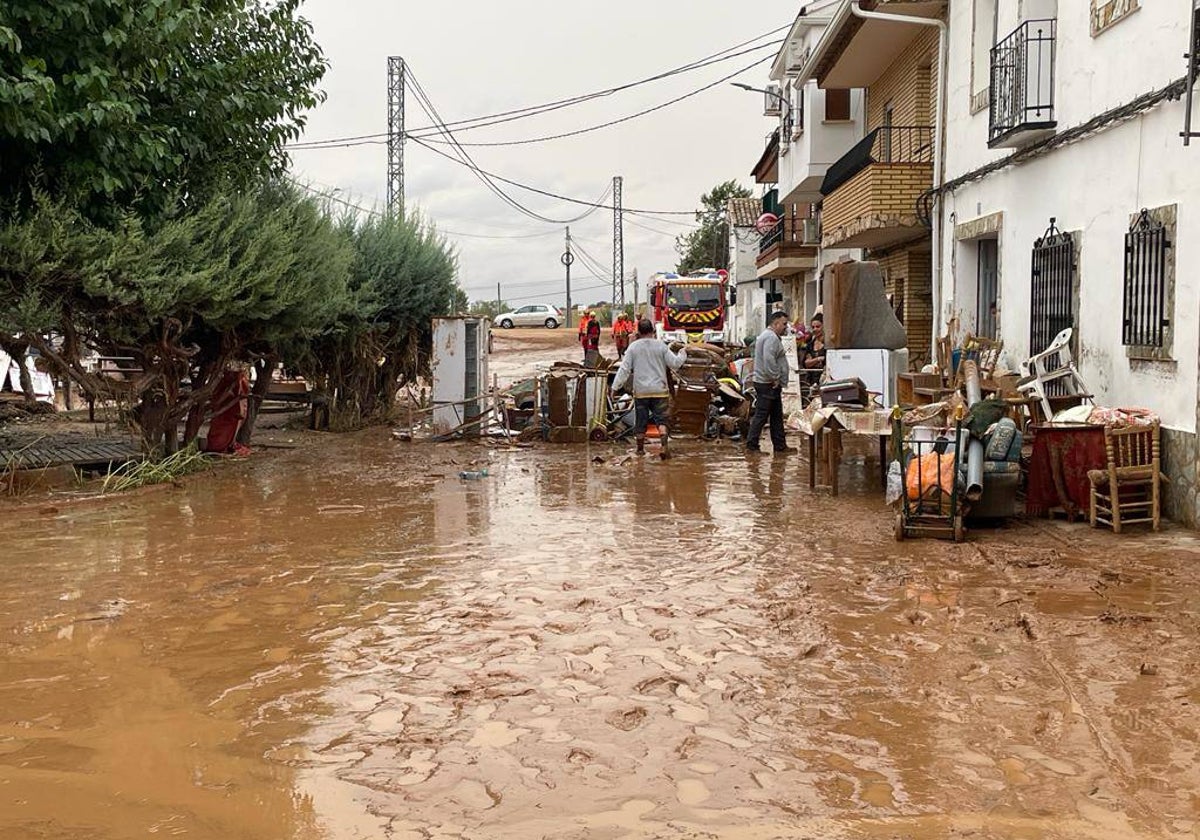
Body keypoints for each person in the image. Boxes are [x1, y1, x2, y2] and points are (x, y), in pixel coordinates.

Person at [612, 319, 687, 459]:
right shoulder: (661, 346)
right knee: (662, 420)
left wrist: (615, 388)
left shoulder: (633, 348)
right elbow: (675, 364)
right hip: (660, 390)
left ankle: (640, 450)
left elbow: (624, 370)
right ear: (653, 331)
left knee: (641, 422)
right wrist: (683, 352)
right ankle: (664, 446)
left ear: (638, 332)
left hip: (641, 392)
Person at [746, 311, 796, 455]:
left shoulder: (767, 336)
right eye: (784, 324)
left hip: (767, 382)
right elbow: (769, 359)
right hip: (768, 383)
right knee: (762, 415)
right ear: (775, 323)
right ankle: (752, 446)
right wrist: (775, 377)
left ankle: (780, 446)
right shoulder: (771, 338)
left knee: (776, 415)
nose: (785, 327)